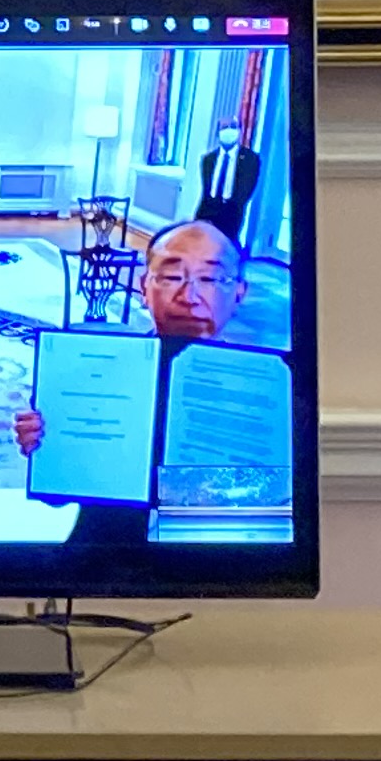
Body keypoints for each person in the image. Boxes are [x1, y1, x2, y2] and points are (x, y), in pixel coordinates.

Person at [52, 220, 257, 552]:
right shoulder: (94, 374)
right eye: (173, 276)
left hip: (216, 570)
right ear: (144, 286)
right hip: (100, 563)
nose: (189, 296)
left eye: (209, 278)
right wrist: (50, 446)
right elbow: (58, 496)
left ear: (239, 292)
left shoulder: (266, 394)